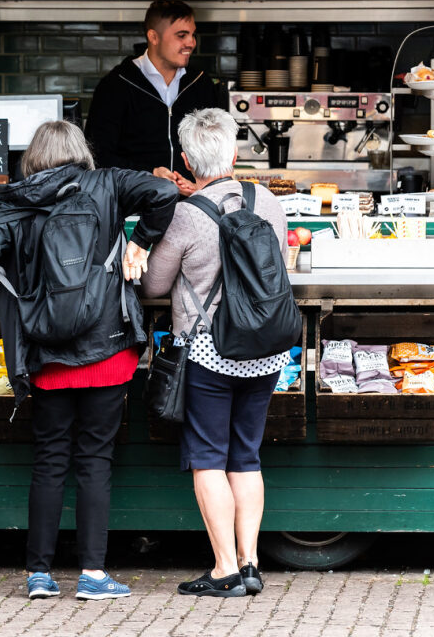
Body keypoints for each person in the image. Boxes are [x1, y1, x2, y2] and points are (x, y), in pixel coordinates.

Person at [0, 120, 177, 602]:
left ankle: (39, 575)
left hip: (45, 355)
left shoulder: (16, 200)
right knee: (95, 462)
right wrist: (140, 241)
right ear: (80, 151)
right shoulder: (107, 184)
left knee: (48, 462)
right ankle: (92, 575)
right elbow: (164, 193)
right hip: (107, 349)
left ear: (33, 158)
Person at [139, 108, 291, 599]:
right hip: (266, 352)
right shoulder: (267, 201)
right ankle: (250, 563)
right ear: (233, 152)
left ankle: (224, 568)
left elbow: (155, 283)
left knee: (208, 457)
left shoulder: (186, 215)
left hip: (209, 352)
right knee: (246, 456)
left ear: (185, 158)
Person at [84, 0, 225, 195]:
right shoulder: (116, 85)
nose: (191, 43)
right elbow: (97, 156)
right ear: (153, 37)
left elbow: (218, 152)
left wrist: (200, 185)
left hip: (193, 206)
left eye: (192, 35)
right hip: (133, 207)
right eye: (181, 35)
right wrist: (149, 174)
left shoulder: (200, 84)